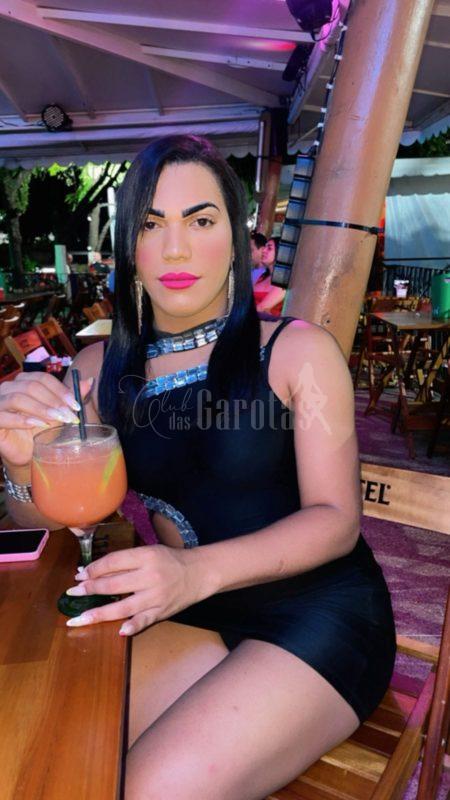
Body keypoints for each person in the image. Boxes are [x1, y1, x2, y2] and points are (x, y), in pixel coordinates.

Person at [0, 134, 396, 800]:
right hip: (190, 608)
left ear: (235, 240)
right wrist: (17, 461)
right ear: (129, 246)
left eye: (201, 220)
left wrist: (192, 572)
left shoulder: (297, 351)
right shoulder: (96, 371)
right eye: (151, 224)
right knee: (49, 737)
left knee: (150, 790)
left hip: (319, 610)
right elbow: (53, 516)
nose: (176, 249)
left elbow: (336, 521)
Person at [253, 235, 286, 315]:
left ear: (280, 253)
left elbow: (262, 308)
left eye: (269, 248)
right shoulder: (262, 277)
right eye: (265, 247)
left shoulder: (282, 282)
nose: (264, 250)